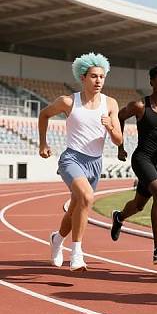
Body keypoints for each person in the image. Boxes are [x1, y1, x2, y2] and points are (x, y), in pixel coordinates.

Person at [40, 52, 122, 271]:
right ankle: (77, 253)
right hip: (72, 158)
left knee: (77, 206)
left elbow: (119, 140)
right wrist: (42, 144)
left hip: (95, 163)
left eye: (102, 77)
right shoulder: (68, 102)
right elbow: (44, 115)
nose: (99, 81)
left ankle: (57, 239)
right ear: (83, 78)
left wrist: (110, 127)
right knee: (87, 197)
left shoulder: (110, 103)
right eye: (94, 76)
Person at [110, 65, 157, 264]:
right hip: (142, 158)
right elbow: (119, 116)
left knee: (139, 205)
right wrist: (120, 146)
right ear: (151, 82)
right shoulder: (140, 106)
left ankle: (119, 217)